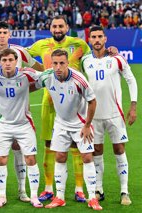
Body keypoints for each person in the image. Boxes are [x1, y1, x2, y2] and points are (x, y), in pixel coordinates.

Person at [27, 15, 109, 202]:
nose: (57, 29)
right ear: (50, 27)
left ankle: (79, 189)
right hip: (50, 101)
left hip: (75, 103)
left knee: (76, 146)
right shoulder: (41, 44)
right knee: (50, 145)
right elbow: (23, 56)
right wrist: (40, 68)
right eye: (54, 26)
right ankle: (49, 188)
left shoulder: (79, 44)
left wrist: (110, 51)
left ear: (66, 27)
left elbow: (95, 54)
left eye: (60, 26)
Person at [0, 21, 41, 203]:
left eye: (5, 32)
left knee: (18, 147)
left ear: (9, 34)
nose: (2, 35)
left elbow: (38, 67)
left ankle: (22, 191)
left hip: (18, 108)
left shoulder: (19, 52)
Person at [34, 49, 102, 210]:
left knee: (86, 157)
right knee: (60, 156)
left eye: (61, 63)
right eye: (55, 63)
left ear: (67, 63)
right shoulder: (47, 75)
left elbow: (92, 102)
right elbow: (29, 82)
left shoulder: (79, 79)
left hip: (80, 124)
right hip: (61, 123)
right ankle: (60, 197)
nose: (58, 67)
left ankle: (92, 197)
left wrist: (87, 125)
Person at [81, 25, 137, 205]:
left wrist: (133, 106)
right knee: (97, 152)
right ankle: (98, 189)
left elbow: (131, 80)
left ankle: (124, 191)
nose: (97, 40)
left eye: (100, 37)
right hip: (94, 116)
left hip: (115, 114)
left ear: (105, 39)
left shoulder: (117, 59)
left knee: (119, 150)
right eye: (93, 37)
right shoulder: (84, 61)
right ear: (89, 40)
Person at [0, 48, 41, 208]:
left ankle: (34, 196)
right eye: (4, 60)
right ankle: (2, 196)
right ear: (0, 62)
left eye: (11, 60)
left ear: (16, 61)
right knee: (1, 159)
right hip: (4, 125)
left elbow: (45, 77)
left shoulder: (27, 74)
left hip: (24, 124)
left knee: (30, 159)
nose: (7, 63)